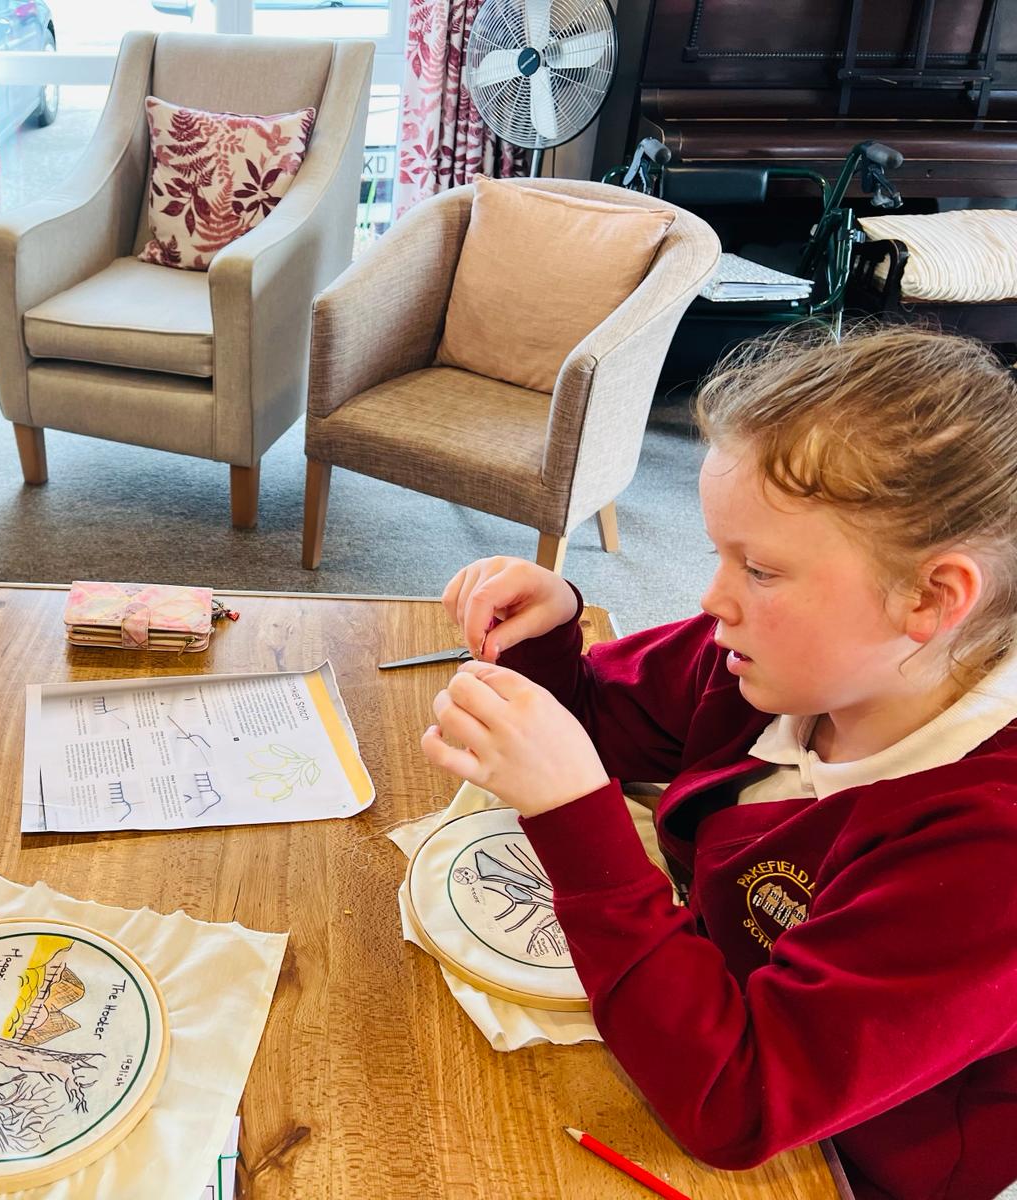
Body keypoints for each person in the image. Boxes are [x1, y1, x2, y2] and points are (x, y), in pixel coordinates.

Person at [423, 326, 1017, 1200]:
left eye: (761, 569)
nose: (713, 599)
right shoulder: (781, 662)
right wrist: (549, 637)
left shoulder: (986, 854)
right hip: (693, 1000)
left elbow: (739, 1105)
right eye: (717, 553)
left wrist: (576, 822)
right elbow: (602, 724)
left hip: (848, 1161)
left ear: (930, 599)